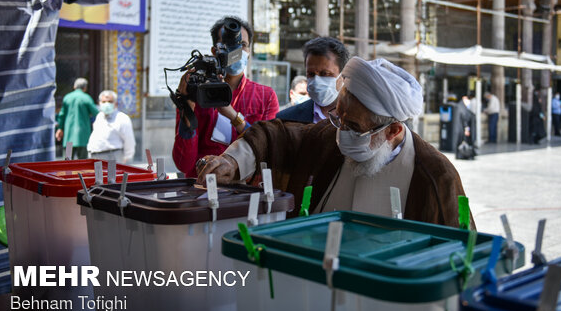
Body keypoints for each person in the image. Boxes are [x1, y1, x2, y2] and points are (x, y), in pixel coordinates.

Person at [197, 57, 474, 228]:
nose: (341, 132)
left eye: (353, 126)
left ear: (393, 131)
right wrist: (232, 161)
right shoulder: (328, 140)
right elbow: (276, 136)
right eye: (338, 118)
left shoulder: (435, 176)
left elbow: (462, 255)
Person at [172, 16, 279, 177]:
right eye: (230, 45)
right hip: (201, 189)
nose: (237, 51)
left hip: (245, 191)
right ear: (215, 51)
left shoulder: (265, 96)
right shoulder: (196, 92)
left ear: (249, 51)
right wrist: (187, 107)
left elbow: (269, 154)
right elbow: (184, 164)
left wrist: (233, 116)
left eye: (242, 45)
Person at [276, 37, 350, 123]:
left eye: (325, 73)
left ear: (343, 76)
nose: (316, 81)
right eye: (311, 74)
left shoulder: (362, 119)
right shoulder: (285, 120)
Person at [55, 78, 99, 159]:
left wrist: (60, 128)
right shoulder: (86, 98)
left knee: (67, 161)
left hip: (69, 137)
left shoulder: (67, 98)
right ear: (85, 88)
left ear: (74, 86)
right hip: (83, 137)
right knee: (82, 163)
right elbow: (97, 113)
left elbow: (62, 115)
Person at [87, 90, 136, 163]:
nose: (106, 104)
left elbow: (129, 140)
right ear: (99, 103)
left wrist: (127, 157)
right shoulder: (99, 116)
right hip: (95, 156)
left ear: (115, 104)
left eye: (110, 101)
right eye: (103, 102)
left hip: (112, 156)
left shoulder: (122, 118)